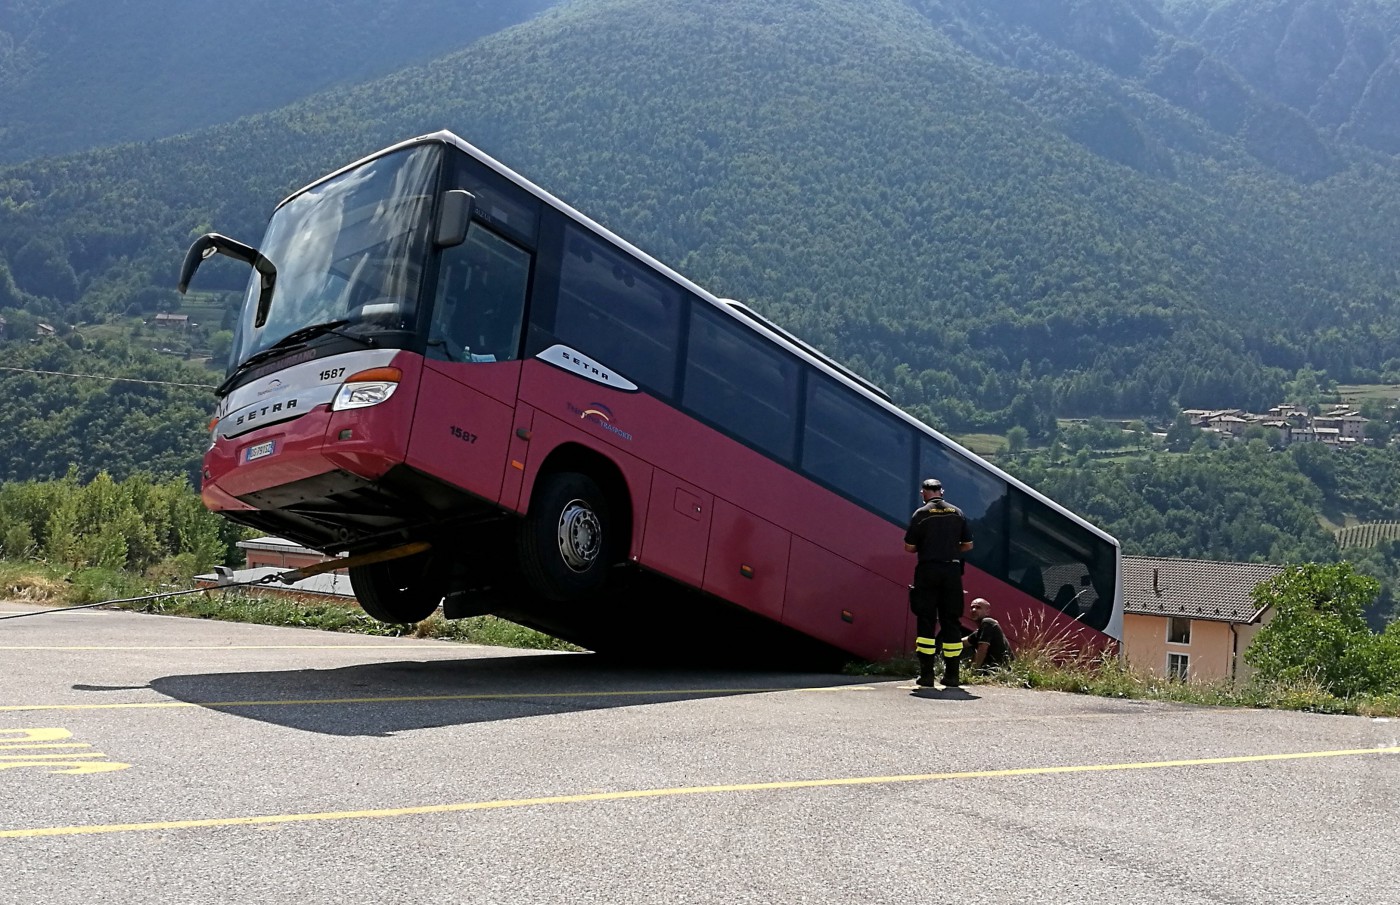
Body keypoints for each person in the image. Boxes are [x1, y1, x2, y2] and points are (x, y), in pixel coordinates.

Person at [903, 478, 973, 687]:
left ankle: (926, 676)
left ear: (924, 493)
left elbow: (909, 547)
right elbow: (968, 545)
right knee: (951, 621)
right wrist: (950, 550)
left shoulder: (921, 514)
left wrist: (928, 548)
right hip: (951, 571)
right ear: (941, 491)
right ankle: (952, 675)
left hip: (928, 570)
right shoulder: (957, 513)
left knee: (926, 619)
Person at [963, 597, 1013, 674]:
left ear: (987, 612)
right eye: (972, 607)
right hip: (995, 670)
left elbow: (982, 648)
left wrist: (973, 671)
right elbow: (963, 642)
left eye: (978, 607)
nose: (974, 610)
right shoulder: (981, 630)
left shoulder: (988, 622)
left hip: (999, 671)